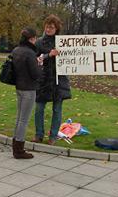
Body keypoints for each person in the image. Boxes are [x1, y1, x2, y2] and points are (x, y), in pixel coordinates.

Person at [34, 15, 72, 144]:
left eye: (51, 27)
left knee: (57, 109)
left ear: (56, 28)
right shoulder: (39, 42)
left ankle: (53, 136)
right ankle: (39, 134)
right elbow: (35, 58)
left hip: (59, 80)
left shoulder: (62, 42)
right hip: (43, 80)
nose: (48, 29)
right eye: (47, 27)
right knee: (39, 108)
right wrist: (48, 55)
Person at [11, 27, 43, 159]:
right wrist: (39, 64)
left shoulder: (16, 50)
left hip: (19, 87)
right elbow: (35, 74)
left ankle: (15, 145)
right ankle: (19, 150)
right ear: (31, 39)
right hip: (29, 89)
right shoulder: (30, 53)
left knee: (19, 118)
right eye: (35, 38)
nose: (36, 40)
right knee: (24, 120)